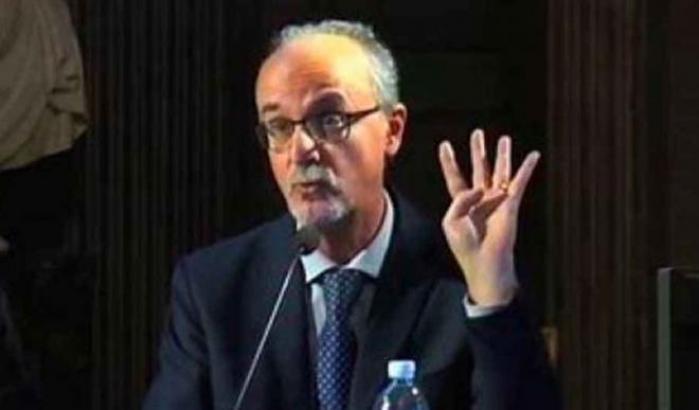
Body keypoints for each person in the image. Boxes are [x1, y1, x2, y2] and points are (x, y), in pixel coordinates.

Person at [144, 20, 560, 410]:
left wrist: (491, 296)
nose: (301, 150)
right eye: (279, 127)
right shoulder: (214, 289)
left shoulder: (464, 276)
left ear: (392, 131)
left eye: (330, 119)